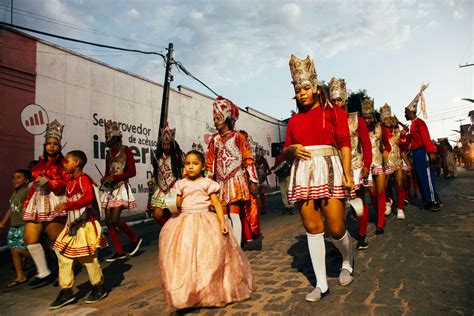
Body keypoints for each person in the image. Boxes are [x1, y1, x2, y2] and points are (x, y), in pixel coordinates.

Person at [284, 55, 354, 302]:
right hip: (303, 173)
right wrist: (290, 151)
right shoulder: (293, 120)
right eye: (297, 89)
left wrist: (347, 174)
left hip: (330, 169)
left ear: (315, 87)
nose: (301, 93)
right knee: (313, 228)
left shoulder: (334, 113)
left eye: (305, 88)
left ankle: (347, 260)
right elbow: (286, 150)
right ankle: (321, 284)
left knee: (336, 228)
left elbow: (345, 145)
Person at [159, 150, 255, 309]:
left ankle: (208, 291)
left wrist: (222, 222)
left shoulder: (207, 183)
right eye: (187, 164)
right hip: (185, 223)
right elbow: (175, 205)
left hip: (205, 221)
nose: (191, 167)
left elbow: (216, 204)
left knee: (207, 258)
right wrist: (173, 198)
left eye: (195, 164)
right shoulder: (181, 184)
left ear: (202, 166)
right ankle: (187, 293)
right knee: (185, 258)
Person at [49, 150, 108, 309]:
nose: (64, 163)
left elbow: (88, 198)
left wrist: (68, 205)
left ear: (77, 163)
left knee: (88, 259)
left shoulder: (83, 179)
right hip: (72, 226)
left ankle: (98, 287)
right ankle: (66, 290)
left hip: (84, 225)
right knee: (64, 258)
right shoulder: (71, 181)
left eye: (67, 161)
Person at [206, 96, 259, 246]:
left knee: (234, 215)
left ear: (226, 118)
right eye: (214, 118)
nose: (215, 121)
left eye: (217, 118)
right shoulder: (214, 140)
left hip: (235, 179)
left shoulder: (239, 137)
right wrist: (208, 183)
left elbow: (248, 159)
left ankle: (237, 248)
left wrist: (253, 181)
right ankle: (229, 244)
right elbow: (209, 163)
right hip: (220, 184)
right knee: (223, 216)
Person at [23, 120, 69, 288]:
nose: (51, 146)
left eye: (55, 144)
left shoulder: (64, 164)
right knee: (29, 238)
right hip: (36, 202)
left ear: (59, 146)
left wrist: (50, 182)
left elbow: (66, 183)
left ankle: (65, 271)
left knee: (56, 239)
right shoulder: (37, 163)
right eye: (49, 143)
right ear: (45, 145)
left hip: (53, 200)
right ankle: (44, 272)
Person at [329, 77, 372, 250]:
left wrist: (367, 166)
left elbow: (367, 145)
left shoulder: (356, 120)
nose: (336, 103)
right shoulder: (328, 122)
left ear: (345, 100)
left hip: (355, 166)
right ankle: (339, 240)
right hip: (335, 168)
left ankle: (362, 235)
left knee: (359, 202)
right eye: (333, 100)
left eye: (339, 99)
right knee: (336, 206)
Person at [100, 120, 142, 262]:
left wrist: (115, 177)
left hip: (120, 188)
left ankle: (135, 238)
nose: (106, 140)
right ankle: (119, 250)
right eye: (106, 137)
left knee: (115, 219)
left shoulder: (127, 151)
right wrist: (105, 178)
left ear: (116, 137)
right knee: (108, 221)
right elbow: (107, 171)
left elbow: (132, 172)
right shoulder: (108, 154)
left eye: (108, 137)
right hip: (109, 189)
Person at [404, 84, 441, 211]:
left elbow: (426, 137)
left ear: (410, 112)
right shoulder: (412, 125)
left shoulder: (419, 122)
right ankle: (427, 200)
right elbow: (411, 140)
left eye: (405, 112)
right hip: (416, 153)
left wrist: (431, 151)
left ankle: (435, 200)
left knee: (427, 177)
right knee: (420, 177)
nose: (404, 114)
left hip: (422, 151)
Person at [361, 98, 391, 235]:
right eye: (364, 117)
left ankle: (380, 222)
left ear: (373, 116)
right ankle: (380, 214)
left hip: (378, 163)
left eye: (369, 117)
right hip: (366, 165)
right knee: (372, 194)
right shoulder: (359, 129)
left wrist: (385, 152)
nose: (367, 120)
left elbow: (388, 145)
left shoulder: (380, 128)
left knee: (380, 192)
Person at [0, 169, 32, 287]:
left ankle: (42, 260)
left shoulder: (26, 191)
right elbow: (10, 209)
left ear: (27, 181)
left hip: (24, 225)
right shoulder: (14, 193)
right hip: (14, 226)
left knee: (20, 250)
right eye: (13, 178)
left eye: (18, 177)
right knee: (14, 251)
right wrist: (3, 222)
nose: (15, 180)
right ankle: (20, 276)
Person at [150, 122, 184, 226]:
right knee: (157, 215)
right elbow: (157, 173)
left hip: (174, 189)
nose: (165, 146)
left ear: (172, 143)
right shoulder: (157, 157)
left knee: (174, 216)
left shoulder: (178, 157)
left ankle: (174, 234)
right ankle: (167, 230)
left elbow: (182, 173)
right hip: (161, 190)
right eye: (163, 144)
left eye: (168, 144)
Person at [380, 105, 408, 220]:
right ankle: (388, 200)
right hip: (385, 161)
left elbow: (404, 146)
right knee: (385, 185)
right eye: (385, 119)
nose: (388, 121)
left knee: (399, 184)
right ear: (382, 119)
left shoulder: (397, 130)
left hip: (397, 161)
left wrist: (403, 137)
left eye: (390, 119)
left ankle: (400, 208)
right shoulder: (379, 130)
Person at [271, 148, 294, 215]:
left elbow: (276, 166)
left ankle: (287, 205)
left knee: (283, 191)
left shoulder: (278, 157)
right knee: (288, 190)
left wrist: (274, 168)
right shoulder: (289, 157)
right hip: (287, 175)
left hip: (282, 176)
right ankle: (291, 205)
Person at [255, 146, 271, 215]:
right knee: (260, 195)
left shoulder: (259, 161)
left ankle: (262, 208)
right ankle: (262, 208)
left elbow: (269, 171)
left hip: (259, 180)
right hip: (259, 179)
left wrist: (264, 174)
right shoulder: (255, 161)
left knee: (259, 195)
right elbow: (269, 171)